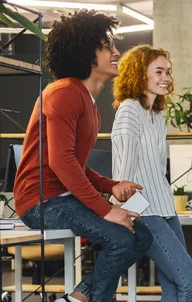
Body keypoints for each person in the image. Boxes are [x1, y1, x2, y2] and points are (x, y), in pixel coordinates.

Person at [14, 10, 153, 302]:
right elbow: (61, 163)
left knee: (141, 236)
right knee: (120, 238)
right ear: (85, 54)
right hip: (40, 201)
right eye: (107, 47)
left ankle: (78, 298)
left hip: (62, 197)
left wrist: (109, 186)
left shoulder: (89, 104)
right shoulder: (63, 94)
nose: (116, 52)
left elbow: (74, 164)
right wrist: (106, 209)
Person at [111, 45, 192, 301]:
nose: (166, 78)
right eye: (159, 72)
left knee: (174, 286)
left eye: (168, 72)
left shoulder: (156, 113)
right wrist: (120, 209)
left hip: (166, 208)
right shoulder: (129, 110)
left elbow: (157, 169)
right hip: (145, 211)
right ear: (140, 74)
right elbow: (123, 174)